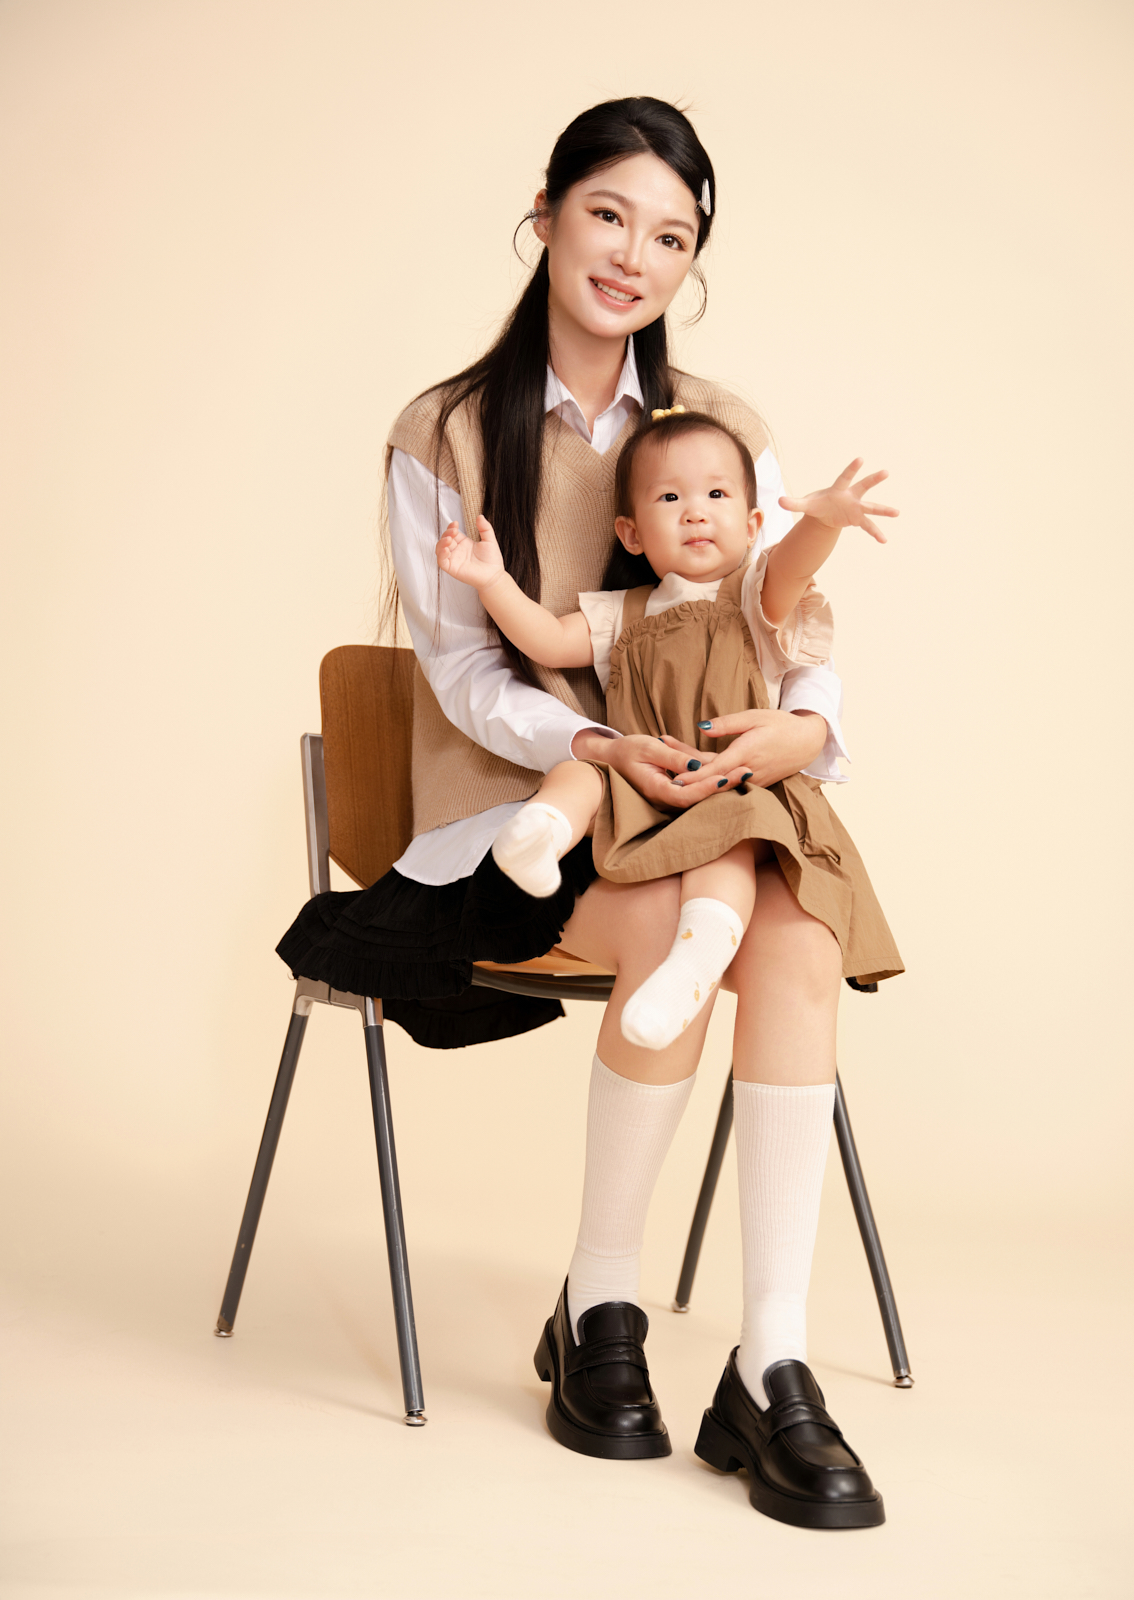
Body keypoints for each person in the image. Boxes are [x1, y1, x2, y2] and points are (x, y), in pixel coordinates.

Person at [277, 96, 904, 1530]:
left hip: (707, 799)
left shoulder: (725, 430)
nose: (634, 256)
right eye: (610, 214)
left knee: (797, 934)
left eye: (671, 237)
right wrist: (610, 746)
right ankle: (602, 1305)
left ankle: (772, 1361)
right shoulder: (443, 431)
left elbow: (781, 618)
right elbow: (464, 674)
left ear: (692, 262)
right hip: (527, 811)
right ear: (548, 211)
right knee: (679, 926)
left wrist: (810, 728)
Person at [434, 409, 901, 1053]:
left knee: (730, 841)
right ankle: (539, 835)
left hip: (735, 783)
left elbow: (793, 565)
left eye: (717, 494)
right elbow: (545, 640)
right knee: (579, 769)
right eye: (670, 498)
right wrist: (493, 581)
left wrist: (824, 520)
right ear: (630, 533)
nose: (696, 512)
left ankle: (691, 967)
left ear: (753, 525)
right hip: (646, 778)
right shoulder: (622, 612)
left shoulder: (755, 598)